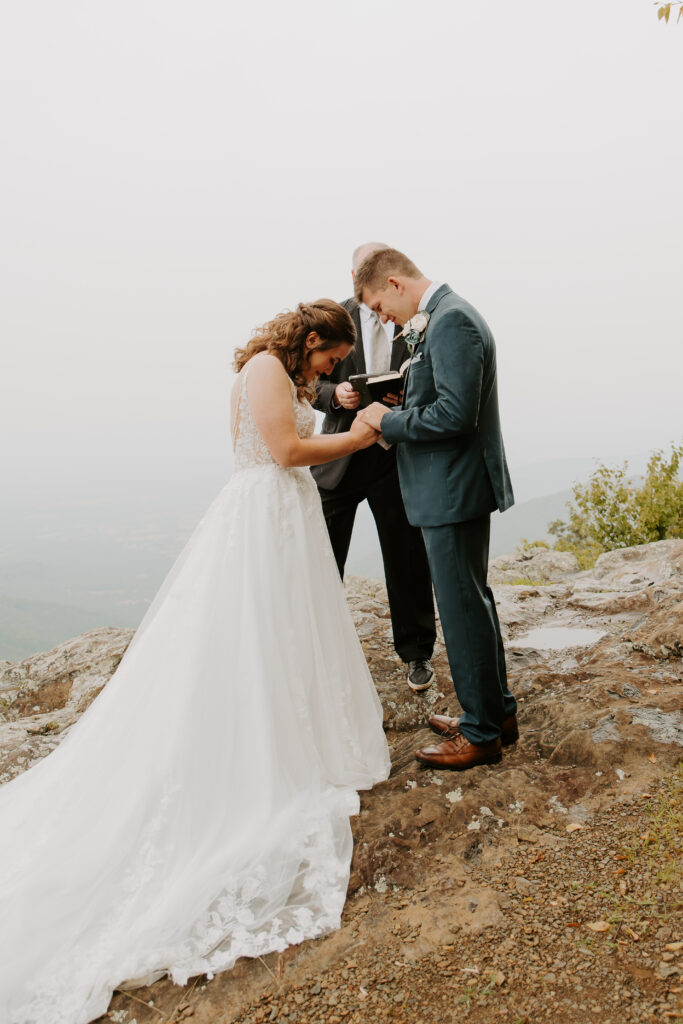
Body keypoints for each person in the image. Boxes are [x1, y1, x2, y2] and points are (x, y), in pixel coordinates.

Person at [0, 299, 391, 1024]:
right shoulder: (267, 369)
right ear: (310, 340)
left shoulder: (278, 369)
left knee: (285, 636)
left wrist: (336, 404)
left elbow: (292, 433)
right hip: (266, 512)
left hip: (280, 516)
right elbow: (284, 453)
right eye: (331, 357)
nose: (335, 367)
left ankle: (294, 730)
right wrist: (361, 434)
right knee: (254, 639)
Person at [355, 248, 518, 772]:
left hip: (452, 490)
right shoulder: (442, 317)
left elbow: (456, 415)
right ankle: (496, 713)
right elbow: (441, 398)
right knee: (473, 602)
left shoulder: (451, 322)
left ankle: (481, 733)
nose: (383, 318)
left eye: (381, 305)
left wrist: (387, 421)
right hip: (446, 488)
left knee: (462, 609)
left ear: (397, 283)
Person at [312, 243, 436, 693]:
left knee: (406, 556)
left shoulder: (412, 318)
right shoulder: (335, 318)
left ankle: (417, 652)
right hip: (339, 457)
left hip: (393, 454)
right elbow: (311, 380)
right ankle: (316, 650)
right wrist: (335, 395)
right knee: (323, 557)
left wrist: (407, 397)